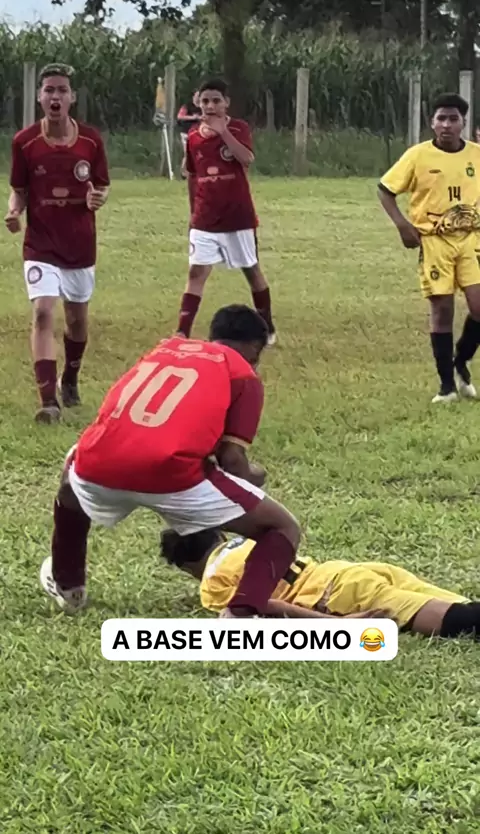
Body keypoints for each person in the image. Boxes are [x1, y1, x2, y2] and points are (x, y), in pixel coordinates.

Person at [39, 304, 300, 615]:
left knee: (71, 476)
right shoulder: (243, 374)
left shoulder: (163, 350)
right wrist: (255, 475)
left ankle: (69, 586)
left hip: (98, 463)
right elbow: (232, 461)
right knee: (283, 527)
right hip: (170, 474)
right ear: (255, 348)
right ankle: (241, 613)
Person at [4, 62, 110, 424]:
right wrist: (14, 211)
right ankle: (48, 401)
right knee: (43, 312)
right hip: (41, 244)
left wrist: (98, 198)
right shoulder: (25, 142)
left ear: (72, 97)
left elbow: (102, 186)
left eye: (62, 90)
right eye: (49, 90)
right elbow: (19, 190)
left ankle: (71, 378)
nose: (55, 96)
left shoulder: (90, 140)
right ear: (39, 97)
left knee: (77, 322)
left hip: (80, 245)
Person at [161, 528, 480, 640]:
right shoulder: (247, 540)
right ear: (219, 534)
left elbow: (260, 607)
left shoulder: (212, 581)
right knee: (463, 608)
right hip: (346, 571)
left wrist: (337, 625)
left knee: (458, 622)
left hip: (337, 593)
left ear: (186, 566)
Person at [378, 93, 480, 404]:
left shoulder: (476, 155)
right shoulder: (418, 156)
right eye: (441, 119)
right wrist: (402, 225)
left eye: (453, 119)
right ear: (432, 123)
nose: (447, 125)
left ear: (463, 123)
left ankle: (461, 360)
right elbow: (385, 190)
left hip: (471, 239)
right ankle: (447, 386)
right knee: (442, 309)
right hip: (434, 241)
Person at [176, 77, 276, 345]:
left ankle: (267, 327)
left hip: (237, 217)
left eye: (216, 101)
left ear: (226, 103)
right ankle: (182, 332)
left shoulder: (238, 128)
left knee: (251, 270)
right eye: (205, 101)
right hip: (205, 218)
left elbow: (247, 158)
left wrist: (223, 133)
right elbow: (192, 175)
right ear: (198, 103)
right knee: (196, 272)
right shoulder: (194, 136)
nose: (210, 106)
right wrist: (192, 214)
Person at [177, 91, 201, 178]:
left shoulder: (203, 107)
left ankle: (194, 172)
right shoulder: (187, 106)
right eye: (197, 95)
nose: (198, 97)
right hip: (186, 133)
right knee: (187, 153)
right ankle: (183, 172)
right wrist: (193, 117)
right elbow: (180, 116)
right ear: (193, 96)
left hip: (198, 133)